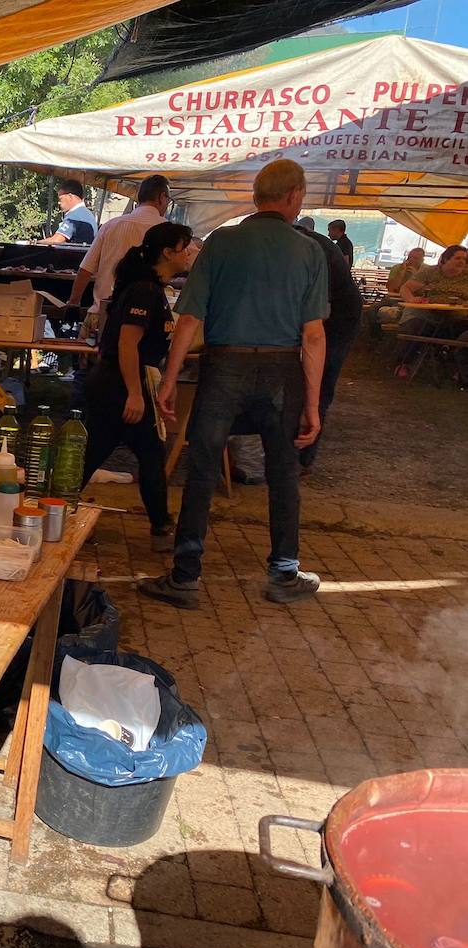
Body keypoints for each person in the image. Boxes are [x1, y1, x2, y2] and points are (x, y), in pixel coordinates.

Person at [141, 159, 328, 610]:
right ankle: (284, 572)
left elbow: (189, 319)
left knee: (203, 466)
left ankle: (186, 577)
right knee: (283, 471)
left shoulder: (222, 243)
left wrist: (168, 381)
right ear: (294, 197)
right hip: (283, 371)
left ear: (257, 197)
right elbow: (314, 335)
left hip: (224, 366)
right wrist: (314, 407)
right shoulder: (310, 252)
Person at [81, 221, 194, 552]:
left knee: (128, 453)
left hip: (125, 381)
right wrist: (134, 393)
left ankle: (160, 525)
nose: (189, 252)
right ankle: (161, 526)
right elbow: (128, 344)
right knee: (140, 454)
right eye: (184, 246)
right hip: (118, 383)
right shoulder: (144, 290)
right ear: (167, 252)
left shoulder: (153, 288)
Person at [294, 217, 363, 471]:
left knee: (319, 383)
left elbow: (318, 317)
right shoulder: (301, 244)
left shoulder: (315, 250)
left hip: (338, 322)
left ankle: (302, 457)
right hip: (324, 316)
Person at [67, 174, 171, 325]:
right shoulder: (168, 230)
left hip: (103, 316)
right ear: (162, 197)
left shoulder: (110, 226)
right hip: (146, 320)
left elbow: (85, 270)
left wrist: (73, 304)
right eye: (168, 200)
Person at [395, 245, 468, 377]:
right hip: (428, 315)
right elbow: (405, 288)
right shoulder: (430, 272)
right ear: (446, 259)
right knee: (414, 325)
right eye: (457, 258)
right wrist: (411, 299)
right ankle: (404, 363)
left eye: (464, 259)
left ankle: (459, 370)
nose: (462, 261)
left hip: (458, 318)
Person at [38, 179, 97, 245]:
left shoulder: (75, 216)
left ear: (70, 196)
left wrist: (35, 243)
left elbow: (56, 240)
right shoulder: (86, 213)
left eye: (61, 199)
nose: (59, 203)